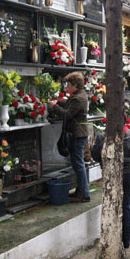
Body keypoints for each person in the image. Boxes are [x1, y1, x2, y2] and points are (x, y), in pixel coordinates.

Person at [92, 118, 130, 249]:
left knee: (110, 204)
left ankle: (110, 239)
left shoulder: (102, 136)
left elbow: (95, 155)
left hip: (110, 174)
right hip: (128, 174)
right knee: (125, 206)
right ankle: (125, 241)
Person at [49, 72, 90, 202]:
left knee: (78, 164)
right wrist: (60, 101)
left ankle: (84, 193)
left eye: (68, 84)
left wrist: (54, 106)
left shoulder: (78, 98)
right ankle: (81, 190)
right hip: (79, 134)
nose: (67, 87)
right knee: (77, 163)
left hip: (78, 134)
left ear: (75, 85)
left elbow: (67, 114)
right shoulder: (79, 95)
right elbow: (69, 103)